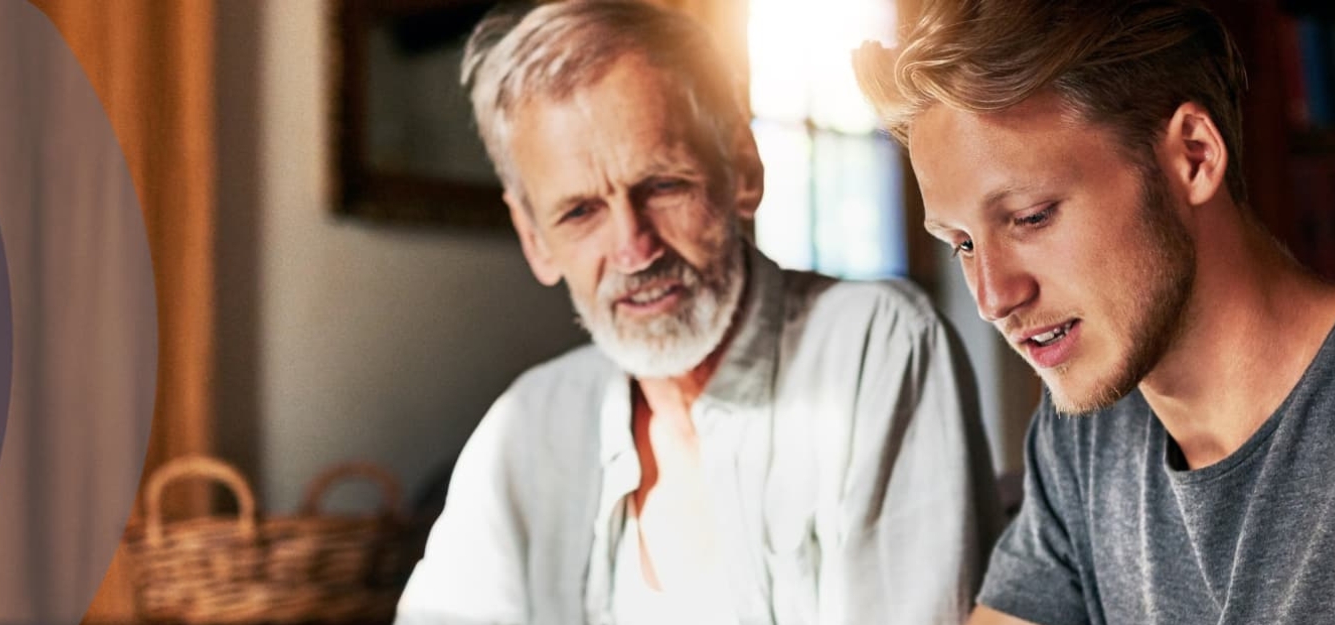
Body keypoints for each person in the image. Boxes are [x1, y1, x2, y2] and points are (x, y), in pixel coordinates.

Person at [853, 1, 1335, 624]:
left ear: (1192, 155)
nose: (991, 295)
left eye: (1029, 216)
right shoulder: (1082, 438)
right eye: (957, 243)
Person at [396, 2, 1001, 623]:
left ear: (743, 168)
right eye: (580, 213)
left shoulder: (875, 346)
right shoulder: (526, 426)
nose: (634, 250)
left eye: (663, 185)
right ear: (534, 239)